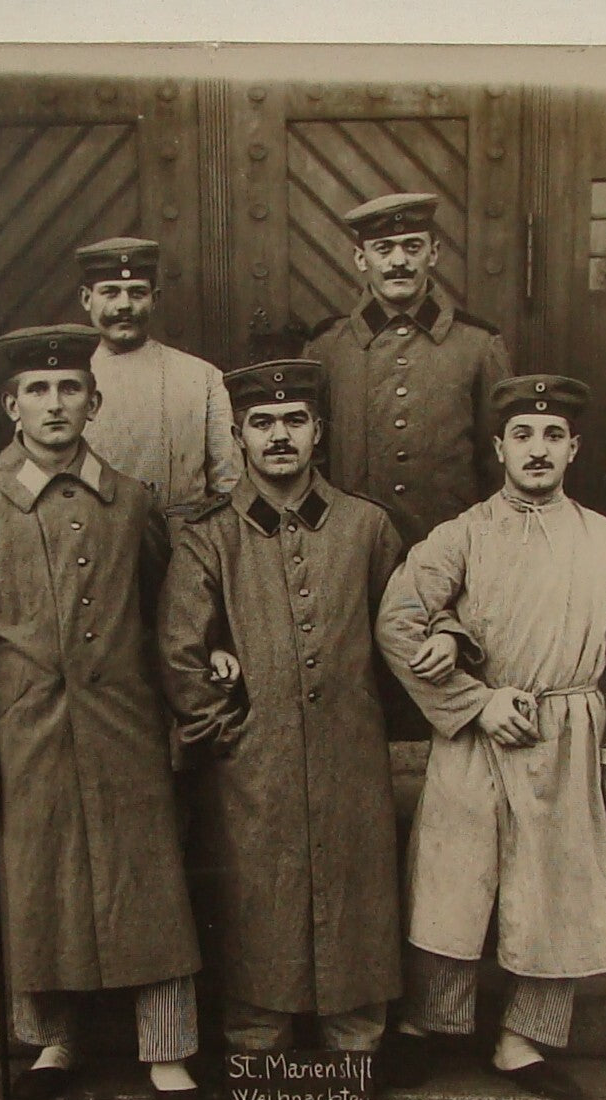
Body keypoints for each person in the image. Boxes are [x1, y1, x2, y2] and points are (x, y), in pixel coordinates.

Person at [0, 323, 229, 1100]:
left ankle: (168, 1047)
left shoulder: (133, 503)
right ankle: (53, 1039)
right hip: (26, 738)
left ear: (95, 402)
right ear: (10, 406)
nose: (55, 405)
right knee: (38, 886)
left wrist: (187, 703)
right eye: (37, 390)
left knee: (147, 881)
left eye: (70, 389)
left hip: (125, 729)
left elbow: (171, 620)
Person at [375, 375, 606, 1100]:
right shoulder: (463, 534)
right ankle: (428, 1022)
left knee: (555, 886)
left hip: (568, 735)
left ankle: (523, 1038)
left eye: (554, 436)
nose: (539, 450)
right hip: (479, 734)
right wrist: (472, 702)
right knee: (453, 877)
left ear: (575, 449)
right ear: (500, 447)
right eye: (524, 436)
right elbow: (398, 619)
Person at [157, 359, 403, 1057]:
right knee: (258, 896)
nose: (280, 436)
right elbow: (179, 648)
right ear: (238, 436)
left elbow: (402, 632)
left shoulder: (367, 528)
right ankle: (257, 1045)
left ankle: (356, 1043)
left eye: (294, 420)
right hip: (252, 768)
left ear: (318, 431)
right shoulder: (210, 537)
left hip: (351, 757)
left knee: (358, 891)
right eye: (262, 423)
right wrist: (224, 728)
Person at [304, 192, 513, 551]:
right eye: (383, 249)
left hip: (450, 548)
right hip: (352, 550)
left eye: (412, 246)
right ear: (360, 258)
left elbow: (498, 462)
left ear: (433, 253)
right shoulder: (327, 347)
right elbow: (310, 460)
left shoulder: (478, 346)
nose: (398, 261)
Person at [76, 236, 241, 519]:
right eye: (111, 292)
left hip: (184, 543)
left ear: (155, 300)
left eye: (137, 293)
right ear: (86, 299)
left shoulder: (201, 377)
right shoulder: (66, 386)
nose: (125, 305)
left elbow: (229, 482)